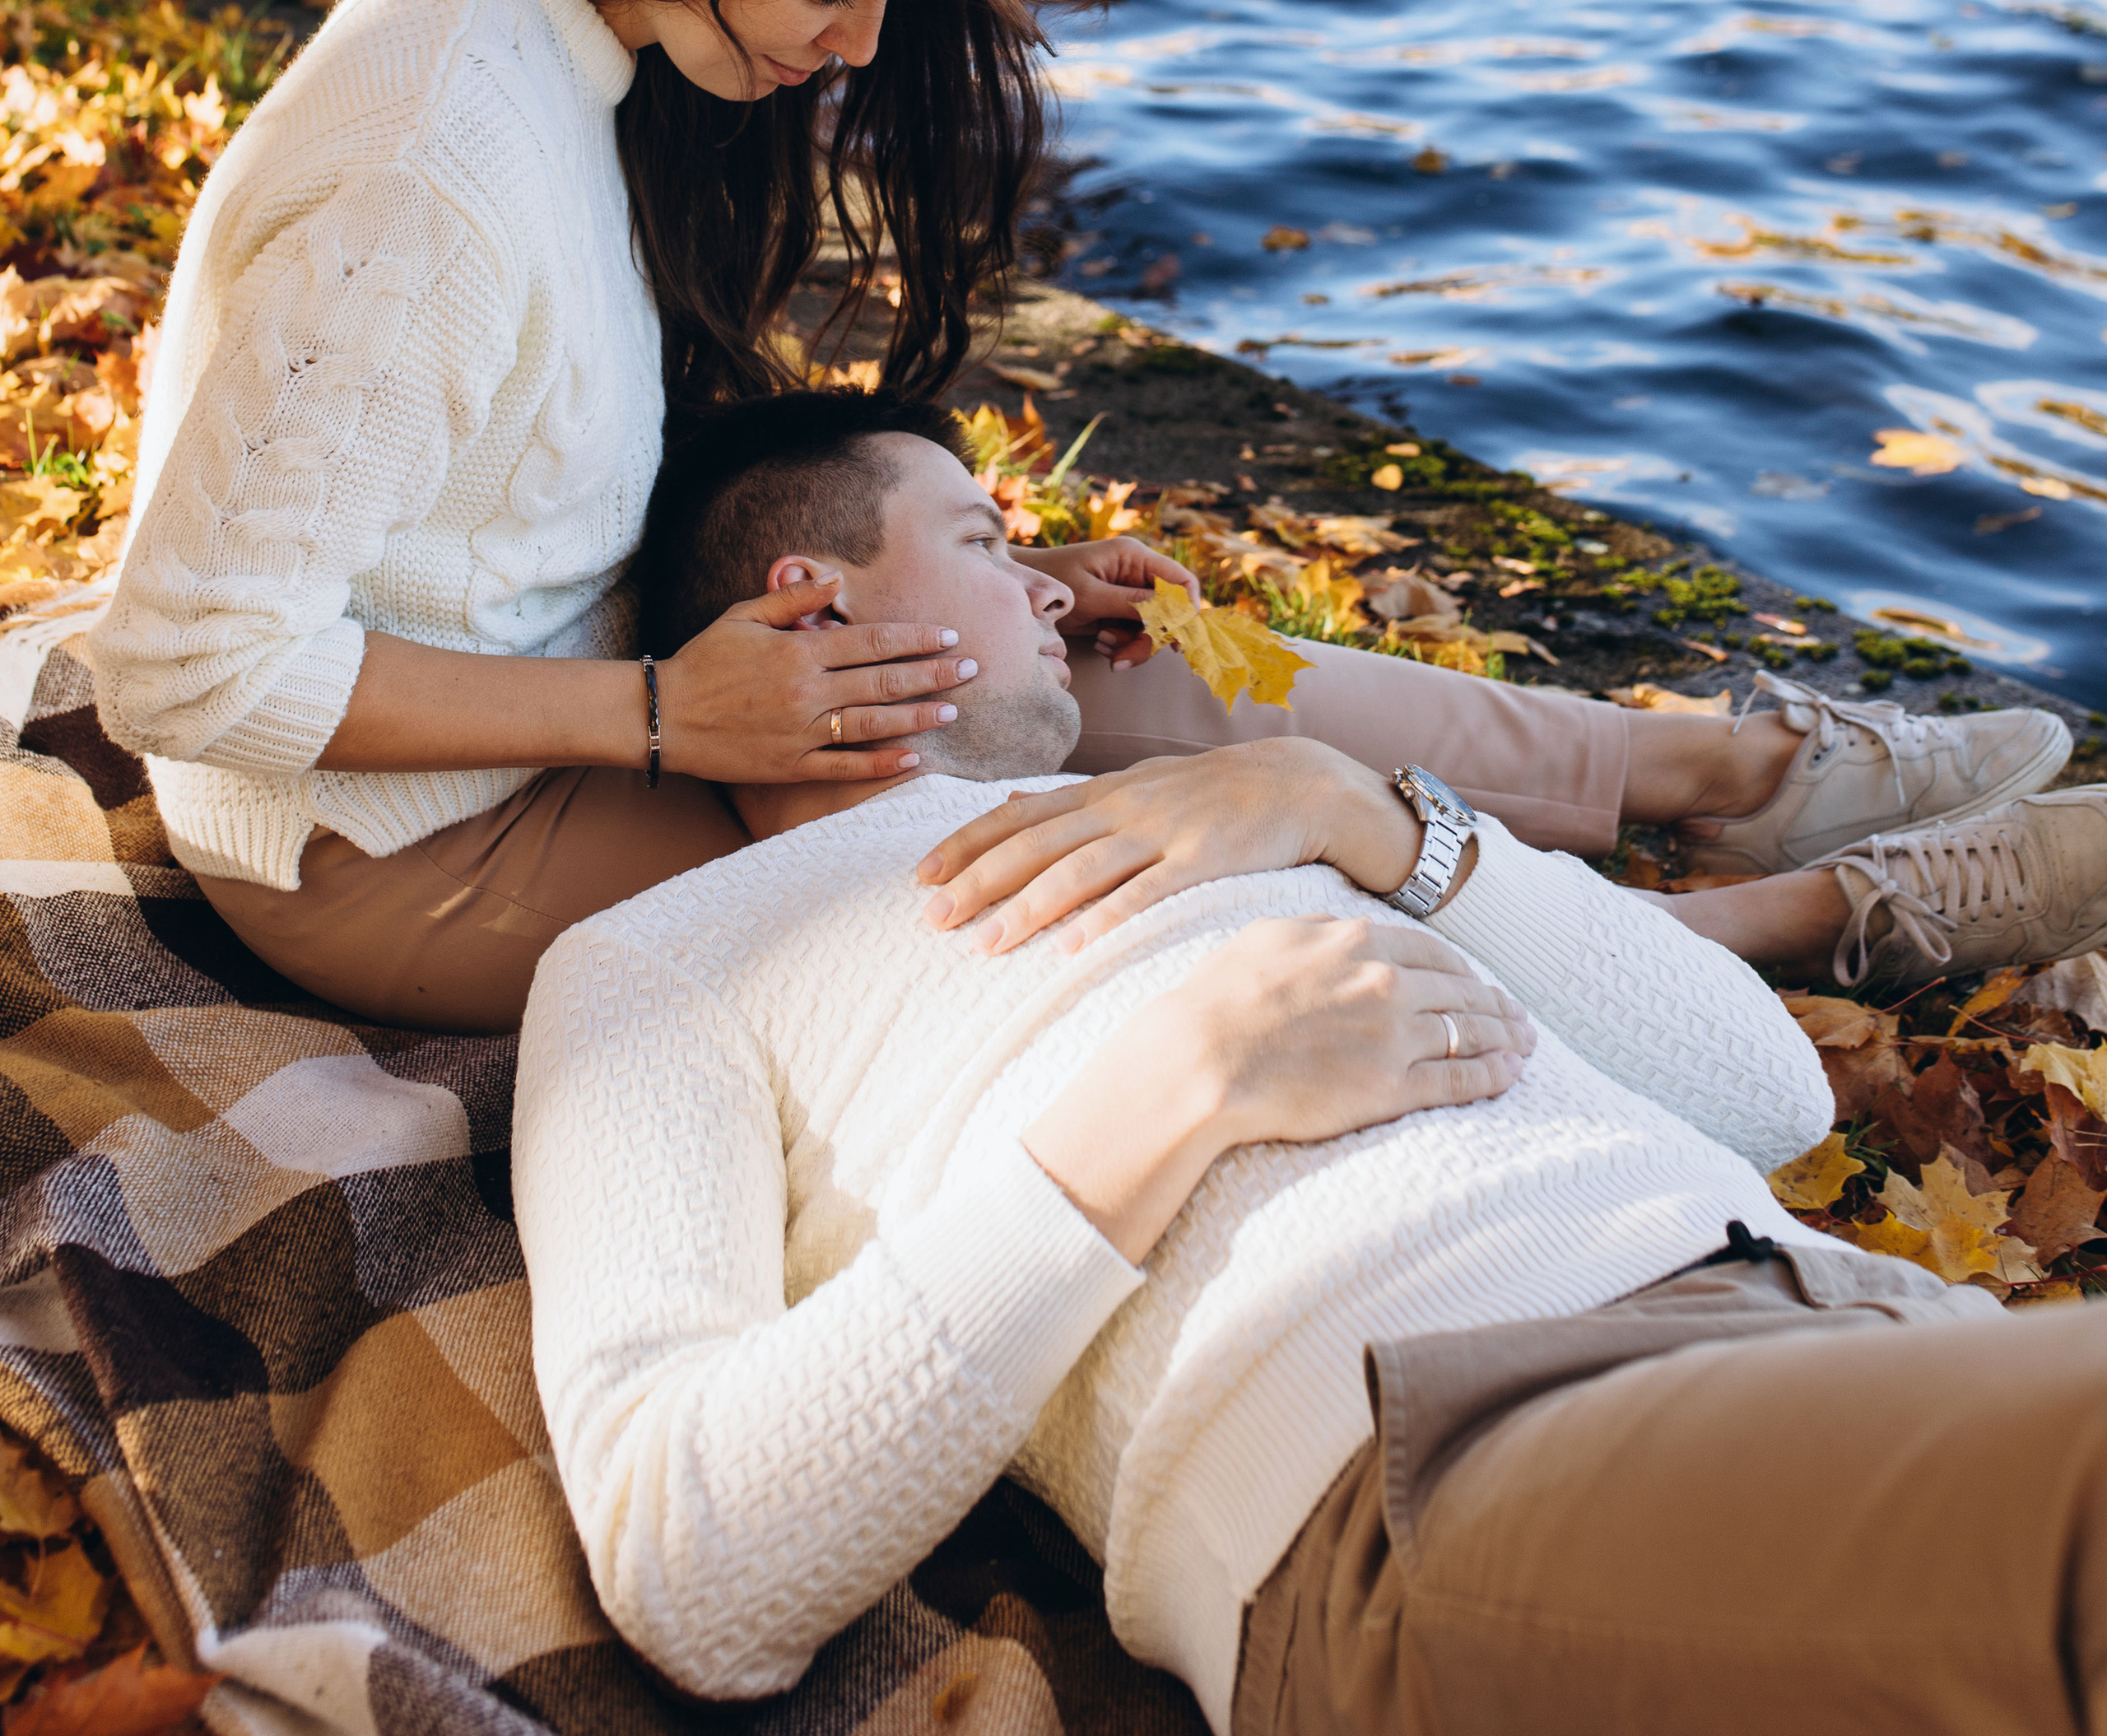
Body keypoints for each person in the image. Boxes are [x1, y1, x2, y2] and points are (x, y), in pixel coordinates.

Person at [82, 0, 2072, 1033]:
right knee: (1114, 872)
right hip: (385, 842)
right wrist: (677, 722)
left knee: (1122, 670)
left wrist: (980, 592)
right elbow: (187, 665)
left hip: (575, 688)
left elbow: (508, 481)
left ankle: (1715, 767)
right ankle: (1802, 921)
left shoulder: (560, 25)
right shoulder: (425, 175)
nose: (860, 47)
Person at [515, 396, 2107, 1736]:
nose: (1058, 593)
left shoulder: (1225, 803)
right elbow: (691, 1570)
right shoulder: (663, 968)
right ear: (814, 606)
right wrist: (1166, 1098)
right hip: (1448, 1460)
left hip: (1814, 1307)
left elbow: (1758, 1083)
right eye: (994, 547)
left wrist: (1359, 810)